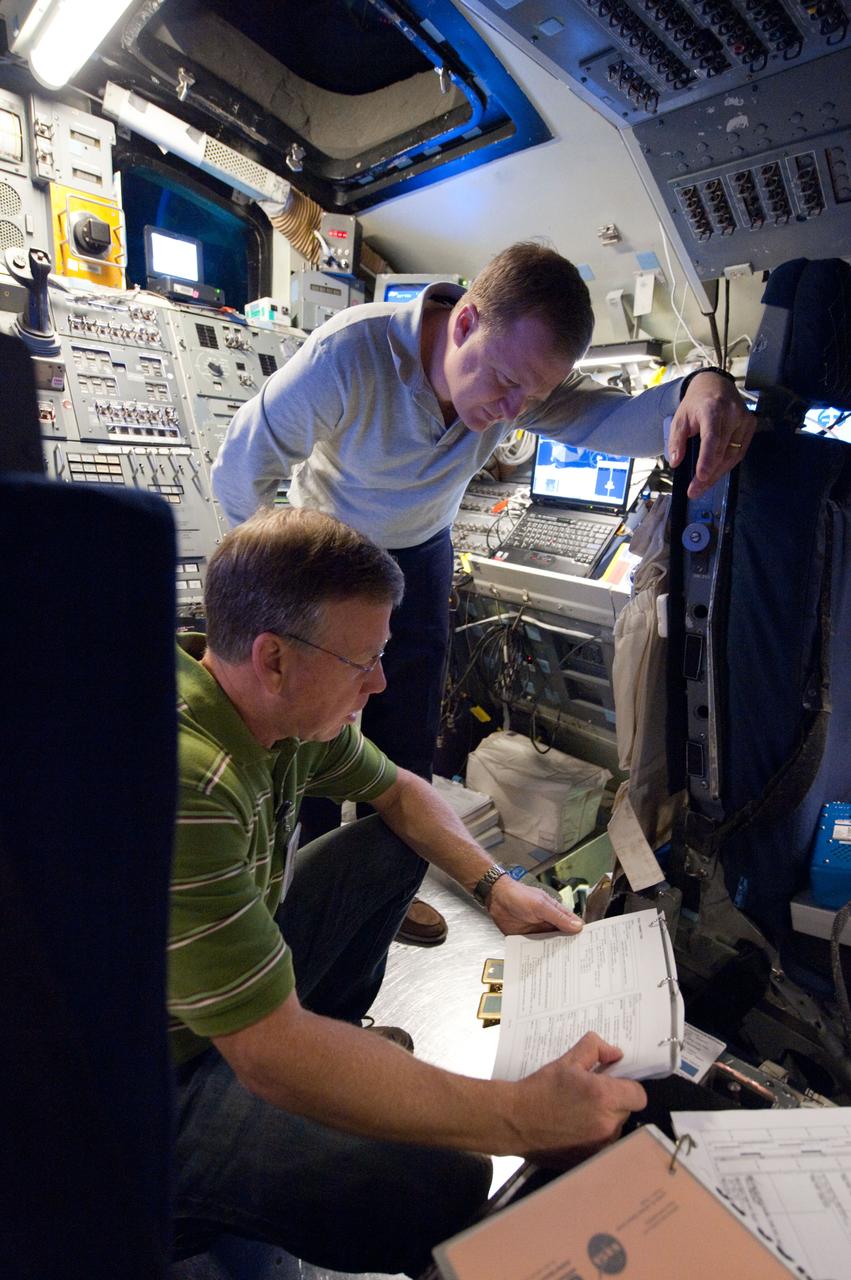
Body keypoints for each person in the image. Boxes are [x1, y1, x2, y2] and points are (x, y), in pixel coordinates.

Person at [171, 506, 647, 1276]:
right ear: (274, 659)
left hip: (229, 1013)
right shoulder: (190, 782)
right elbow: (265, 1054)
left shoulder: (265, 709)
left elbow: (401, 792)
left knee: (396, 841)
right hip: (159, 1073)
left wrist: (494, 889)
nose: (381, 683)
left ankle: (337, 1035)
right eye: (363, 661)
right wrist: (519, 1117)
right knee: (440, 1182)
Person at [211, 243, 753, 854]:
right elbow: (239, 471)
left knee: (406, 737)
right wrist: (282, 586)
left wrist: (704, 386)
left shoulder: (517, 377)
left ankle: (386, 880)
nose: (510, 412)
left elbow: (611, 420)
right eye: (504, 383)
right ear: (465, 322)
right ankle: (302, 878)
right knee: (313, 734)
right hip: (329, 561)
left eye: (529, 397)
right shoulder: (348, 355)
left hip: (420, 552)